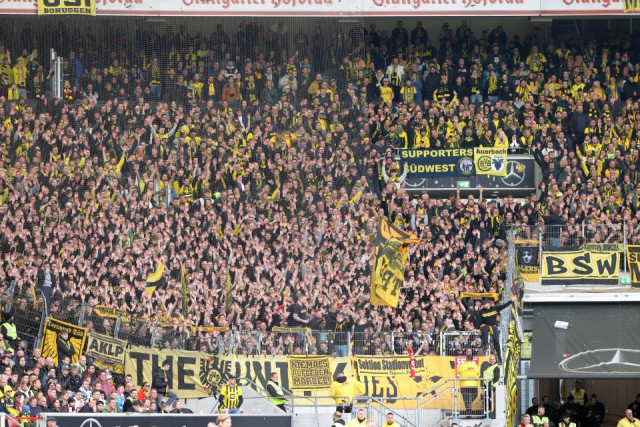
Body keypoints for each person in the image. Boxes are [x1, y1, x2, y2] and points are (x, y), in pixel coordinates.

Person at [473, 295, 517, 362]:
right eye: (483, 304)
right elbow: (478, 319)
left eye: (485, 304)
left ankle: (499, 356)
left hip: (493, 326)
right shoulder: (481, 311)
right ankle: (485, 345)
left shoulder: (495, 308)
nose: (484, 305)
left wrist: (511, 301)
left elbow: (503, 306)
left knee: (496, 340)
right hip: (485, 326)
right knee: (484, 329)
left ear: (488, 304)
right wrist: (477, 328)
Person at [457, 351, 480, 415]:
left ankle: (468, 413)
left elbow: (458, 372)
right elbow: (478, 374)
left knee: (466, 399)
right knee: (475, 395)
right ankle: (470, 404)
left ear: (466, 359)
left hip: (464, 384)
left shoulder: (462, 366)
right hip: (473, 384)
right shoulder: (476, 366)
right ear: (472, 359)